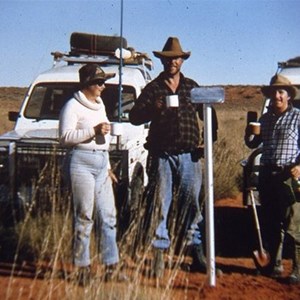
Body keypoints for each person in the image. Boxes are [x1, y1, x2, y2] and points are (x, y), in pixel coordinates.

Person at [129, 37, 218, 277]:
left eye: (176, 58)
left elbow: (209, 112)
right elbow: (134, 117)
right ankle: (158, 257)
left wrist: (208, 142)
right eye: (168, 58)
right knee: (161, 205)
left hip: (190, 156)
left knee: (192, 205)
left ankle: (197, 256)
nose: (172, 62)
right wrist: (153, 108)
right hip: (162, 157)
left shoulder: (192, 87)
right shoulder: (153, 89)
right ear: (162, 60)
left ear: (182, 60)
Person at [59, 64, 124, 285]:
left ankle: (111, 264)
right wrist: (93, 131)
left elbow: (102, 134)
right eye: (99, 82)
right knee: (85, 216)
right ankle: (82, 267)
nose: (103, 86)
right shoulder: (72, 106)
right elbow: (65, 137)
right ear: (87, 84)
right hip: (80, 162)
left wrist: (107, 168)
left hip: (101, 162)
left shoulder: (100, 104)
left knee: (108, 215)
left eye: (103, 82)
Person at [245, 74, 300, 284]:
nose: (277, 96)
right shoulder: (265, 119)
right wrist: (248, 133)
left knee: (293, 223)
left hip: (289, 176)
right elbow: (253, 145)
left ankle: (297, 269)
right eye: (273, 92)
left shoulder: (297, 117)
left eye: (281, 92)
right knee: (271, 222)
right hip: (268, 174)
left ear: (288, 96)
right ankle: (274, 265)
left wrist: (299, 166)